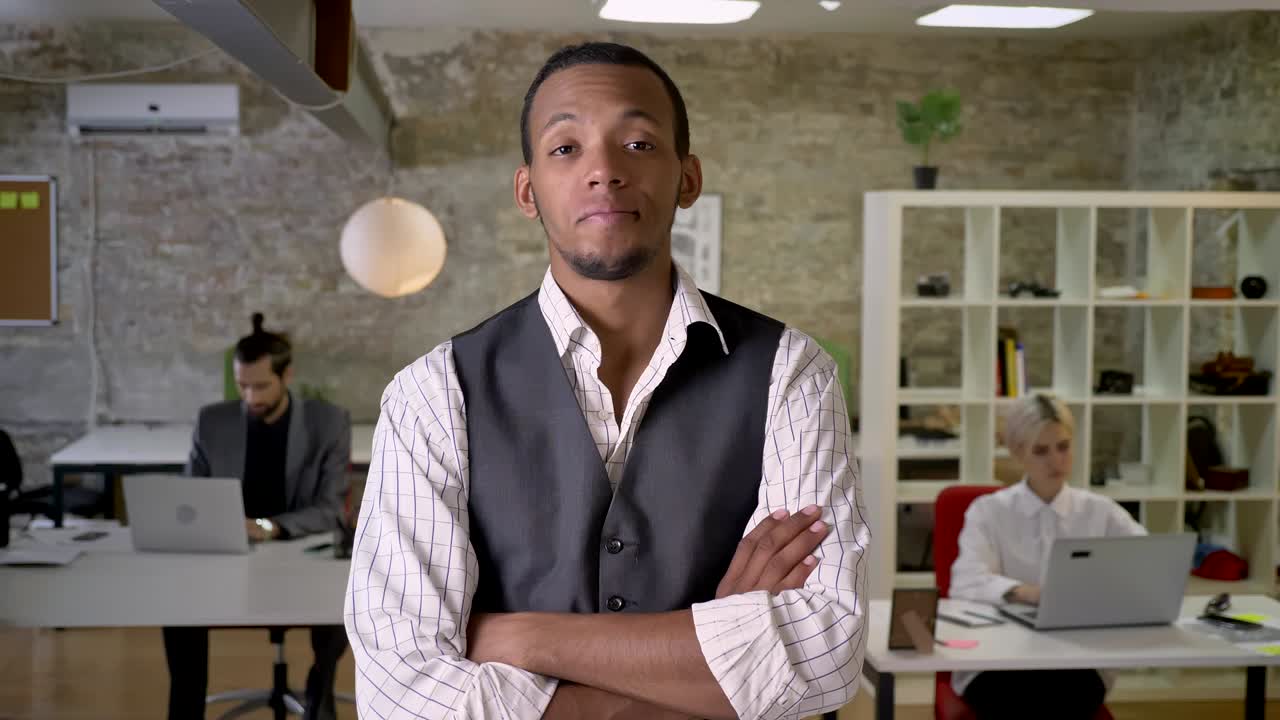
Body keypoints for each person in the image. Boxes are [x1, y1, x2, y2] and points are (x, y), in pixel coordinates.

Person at [344, 41, 869, 719]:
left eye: (640, 143)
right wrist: (723, 667)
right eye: (566, 148)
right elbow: (403, 695)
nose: (604, 171)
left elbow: (826, 655)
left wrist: (520, 636)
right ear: (528, 192)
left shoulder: (792, 374)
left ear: (687, 178)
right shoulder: (433, 394)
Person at [163, 313, 352, 720]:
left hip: (299, 552)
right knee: (177, 606)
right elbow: (190, 500)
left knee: (342, 599)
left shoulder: (328, 422)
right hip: (228, 553)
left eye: (261, 386)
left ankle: (320, 691)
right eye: (243, 386)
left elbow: (329, 509)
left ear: (288, 376)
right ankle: (185, 708)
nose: (251, 398)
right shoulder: (212, 422)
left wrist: (269, 527)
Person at [949, 393, 1147, 720]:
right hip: (998, 661)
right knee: (1024, 701)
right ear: (1017, 453)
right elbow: (965, 581)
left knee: (1063, 695)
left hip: (1077, 660)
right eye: (1041, 451)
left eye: (1063, 447)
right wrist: (1029, 593)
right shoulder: (988, 512)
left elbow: (1146, 563)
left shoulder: (1100, 511)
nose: (1056, 461)